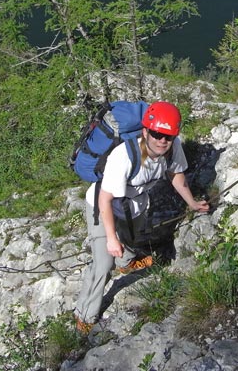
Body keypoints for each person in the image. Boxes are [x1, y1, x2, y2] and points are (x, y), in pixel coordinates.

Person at [74, 101, 209, 333]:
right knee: (103, 264)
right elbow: (105, 200)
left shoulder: (172, 147)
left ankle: (126, 262)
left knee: (133, 238)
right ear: (146, 131)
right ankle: (84, 315)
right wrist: (110, 238)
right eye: (157, 134)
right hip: (101, 205)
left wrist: (192, 203)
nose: (162, 141)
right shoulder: (124, 156)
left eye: (168, 136)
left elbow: (176, 174)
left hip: (133, 203)